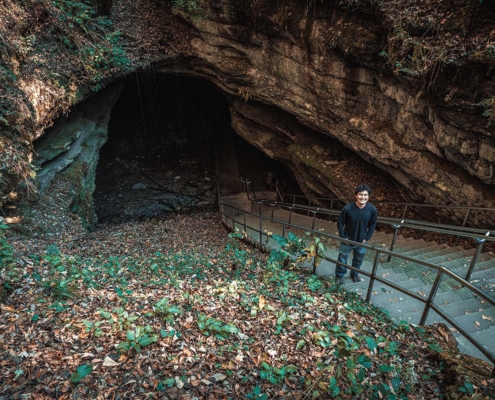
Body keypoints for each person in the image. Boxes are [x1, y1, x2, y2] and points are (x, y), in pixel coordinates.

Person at [335, 184, 377, 284]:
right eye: (360, 194)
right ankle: (339, 275)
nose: (363, 197)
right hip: (348, 239)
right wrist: (343, 236)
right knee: (342, 259)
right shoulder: (348, 208)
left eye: (365, 195)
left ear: (368, 196)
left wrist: (367, 238)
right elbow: (340, 222)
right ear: (356, 196)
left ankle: (354, 273)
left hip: (361, 240)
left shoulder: (372, 209)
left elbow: (372, 224)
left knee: (358, 259)